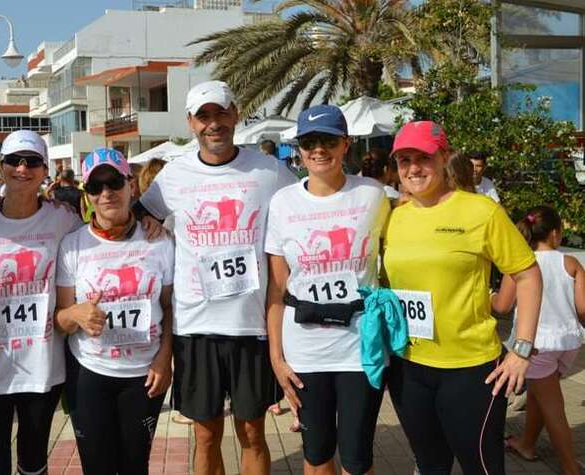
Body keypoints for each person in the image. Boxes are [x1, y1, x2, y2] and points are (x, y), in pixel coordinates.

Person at [136, 80, 297, 475]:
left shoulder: (270, 171)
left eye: (221, 113)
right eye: (204, 116)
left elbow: (305, 208)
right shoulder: (174, 175)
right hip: (196, 327)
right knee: (206, 436)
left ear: (236, 114)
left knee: (253, 433)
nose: (214, 124)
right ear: (191, 123)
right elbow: (139, 216)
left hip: (251, 326)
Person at [382, 120, 542, 474]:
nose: (413, 168)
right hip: (408, 367)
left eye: (423, 158)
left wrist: (522, 349)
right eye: (404, 160)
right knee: (429, 466)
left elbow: (528, 274)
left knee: (481, 468)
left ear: (444, 158)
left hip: (470, 370)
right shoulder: (392, 218)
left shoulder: (481, 212)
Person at [265, 106, 390, 475]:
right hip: (305, 351)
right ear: (300, 149)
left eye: (329, 141)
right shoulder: (283, 202)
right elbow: (277, 290)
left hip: (360, 348)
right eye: (309, 142)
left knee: (356, 459)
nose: (318, 149)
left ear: (345, 144)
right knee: (317, 456)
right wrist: (276, 359)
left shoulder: (373, 194)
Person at [0, 130, 80, 475]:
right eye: (14, 161)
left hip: (41, 367)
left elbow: (100, 242)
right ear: (0, 167)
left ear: (45, 170)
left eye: (32, 162)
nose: (22, 169)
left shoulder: (65, 220)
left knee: (34, 463)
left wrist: (147, 222)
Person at [56, 148, 174, 475]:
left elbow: (169, 306)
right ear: (87, 194)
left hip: (143, 374)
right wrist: (75, 315)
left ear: (131, 185)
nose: (106, 192)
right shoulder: (73, 245)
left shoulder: (159, 241)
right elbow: (60, 319)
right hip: (89, 372)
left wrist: (165, 358)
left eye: (114, 182)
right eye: (96, 186)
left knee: (135, 466)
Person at [495, 206, 585, 474]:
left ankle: (570, 468)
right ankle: (527, 444)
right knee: (539, 393)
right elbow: (583, 308)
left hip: (536, 346)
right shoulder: (570, 263)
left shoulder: (519, 262)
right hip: (568, 342)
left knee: (554, 408)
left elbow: (502, 305)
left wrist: (487, 297)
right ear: (555, 233)